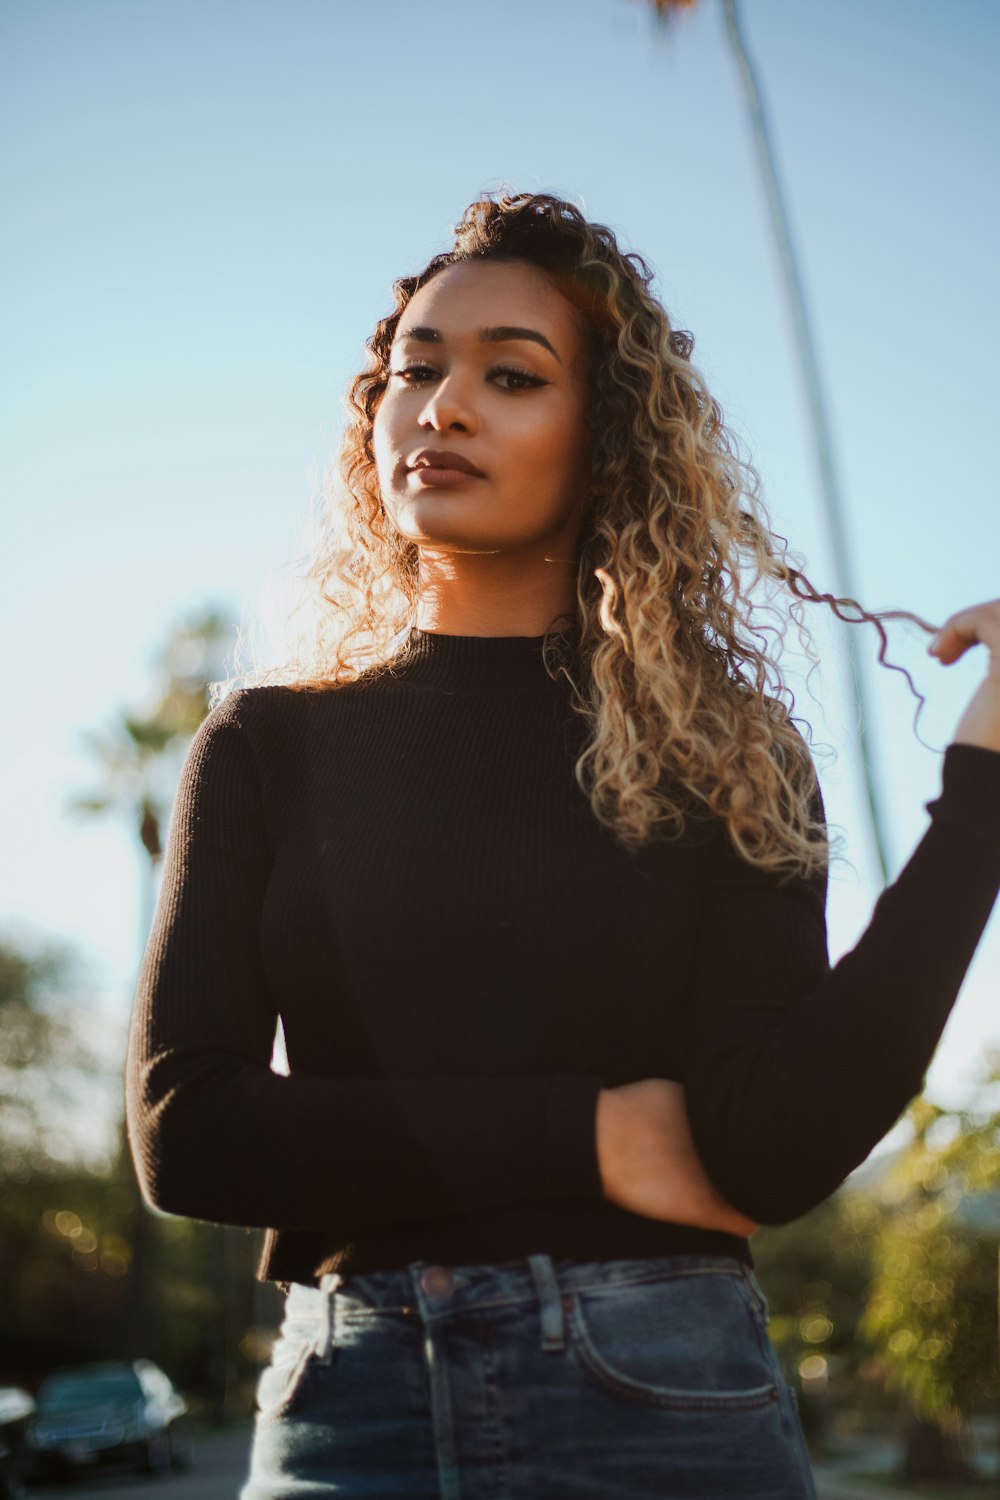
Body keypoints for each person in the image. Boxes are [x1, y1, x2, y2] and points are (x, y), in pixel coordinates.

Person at [125, 190, 1000, 1499]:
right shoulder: (264, 743)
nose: (444, 406)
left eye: (510, 375)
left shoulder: (727, 750)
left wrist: (983, 797)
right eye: (415, 369)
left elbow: (773, 1147)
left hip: (664, 1388)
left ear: (607, 440)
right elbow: (186, 1132)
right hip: (346, 1408)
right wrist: (588, 1135)